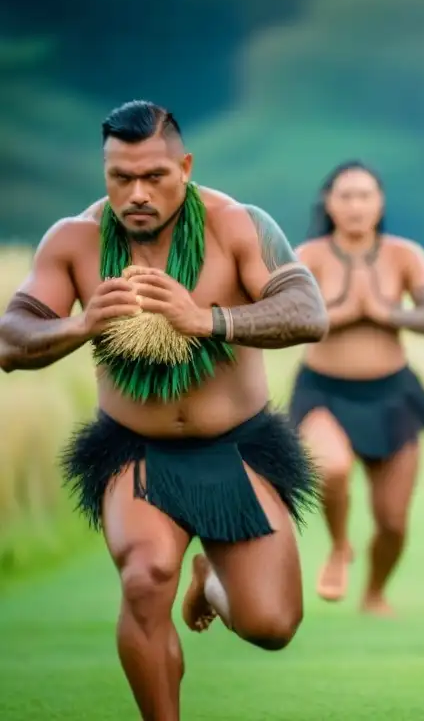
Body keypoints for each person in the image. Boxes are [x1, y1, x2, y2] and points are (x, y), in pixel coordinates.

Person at [0, 100, 329, 720]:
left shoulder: (237, 226)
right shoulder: (73, 240)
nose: (137, 193)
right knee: (146, 575)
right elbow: (10, 340)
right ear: (105, 175)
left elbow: (308, 312)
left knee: (272, 624)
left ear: (185, 166)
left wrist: (205, 319)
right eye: (121, 178)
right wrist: (80, 326)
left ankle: (209, 580)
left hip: (238, 446)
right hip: (134, 450)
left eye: (154, 176)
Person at [288, 160, 424, 614]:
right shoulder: (308, 256)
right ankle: (340, 546)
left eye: (365, 196)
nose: (356, 206)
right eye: (345, 196)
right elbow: (287, 319)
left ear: (379, 202)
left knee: (393, 522)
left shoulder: (404, 254)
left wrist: (385, 313)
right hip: (322, 392)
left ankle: (375, 592)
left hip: (392, 395)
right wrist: (340, 314)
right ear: (329, 203)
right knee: (333, 468)